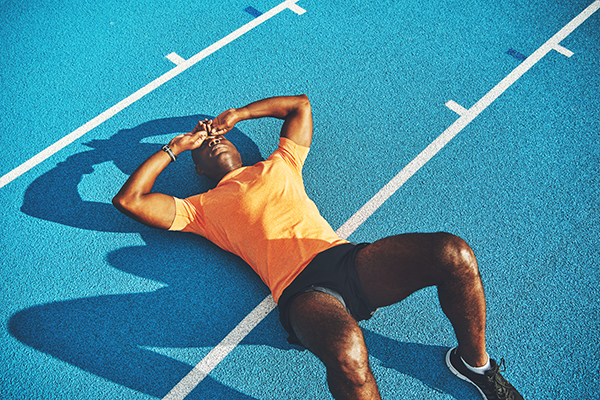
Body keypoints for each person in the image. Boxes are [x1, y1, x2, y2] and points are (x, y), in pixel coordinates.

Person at [113, 95, 523, 400]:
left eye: (220, 137)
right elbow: (130, 200)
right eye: (204, 149)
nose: (214, 142)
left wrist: (238, 115)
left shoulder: (280, 163)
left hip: (346, 259)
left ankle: (474, 365)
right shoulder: (198, 209)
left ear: (239, 144)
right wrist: (177, 146)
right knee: (348, 352)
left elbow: (300, 106)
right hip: (303, 292)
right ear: (198, 170)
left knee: (454, 254)